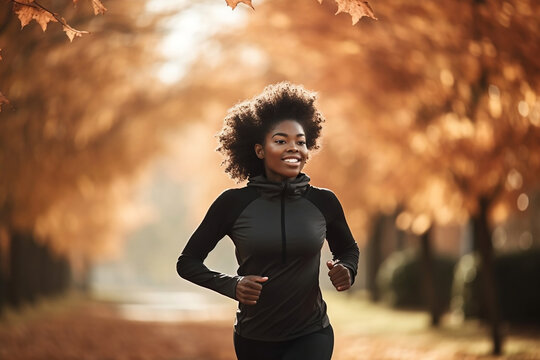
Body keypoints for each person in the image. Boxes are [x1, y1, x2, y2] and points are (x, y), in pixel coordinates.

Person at [176, 82, 359, 360]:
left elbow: (348, 250)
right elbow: (187, 263)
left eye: (300, 141)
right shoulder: (233, 204)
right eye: (281, 140)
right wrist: (232, 285)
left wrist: (347, 268)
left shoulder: (324, 202)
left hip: (312, 332)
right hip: (254, 338)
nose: (293, 148)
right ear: (260, 150)